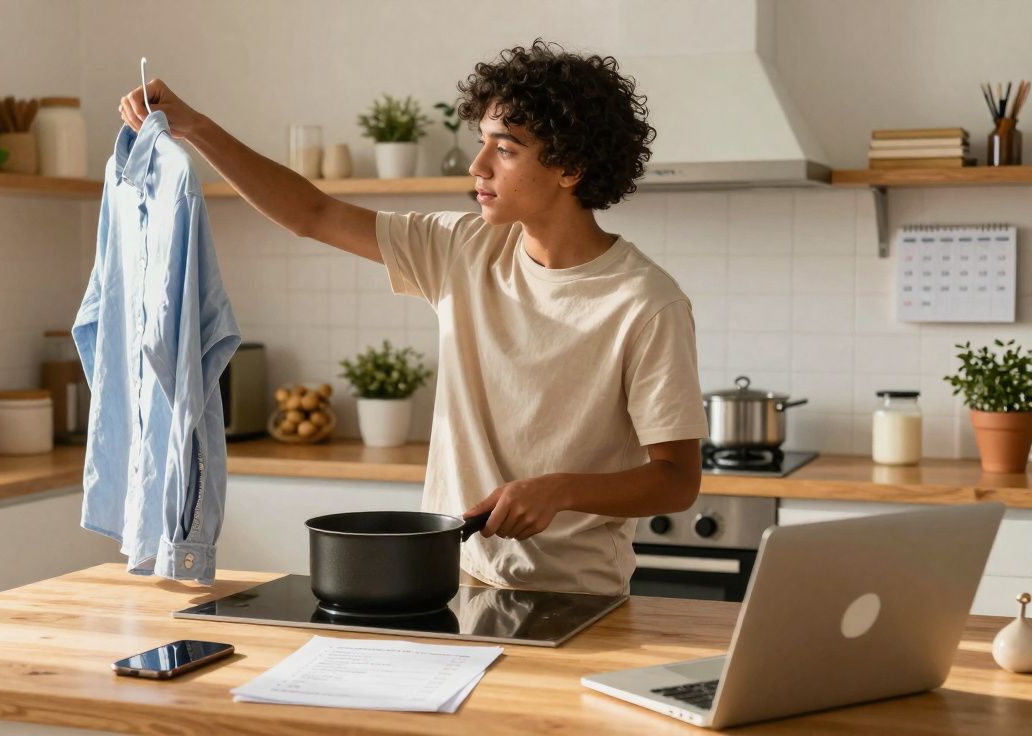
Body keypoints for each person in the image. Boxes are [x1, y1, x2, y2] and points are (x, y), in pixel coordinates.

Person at [117, 39, 709, 597]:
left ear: (569, 168)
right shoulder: (462, 249)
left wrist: (561, 490)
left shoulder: (645, 302)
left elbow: (677, 480)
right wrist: (193, 126)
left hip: (577, 597)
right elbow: (312, 213)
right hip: (455, 579)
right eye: (482, 142)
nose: (478, 165)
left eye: (504, 149)